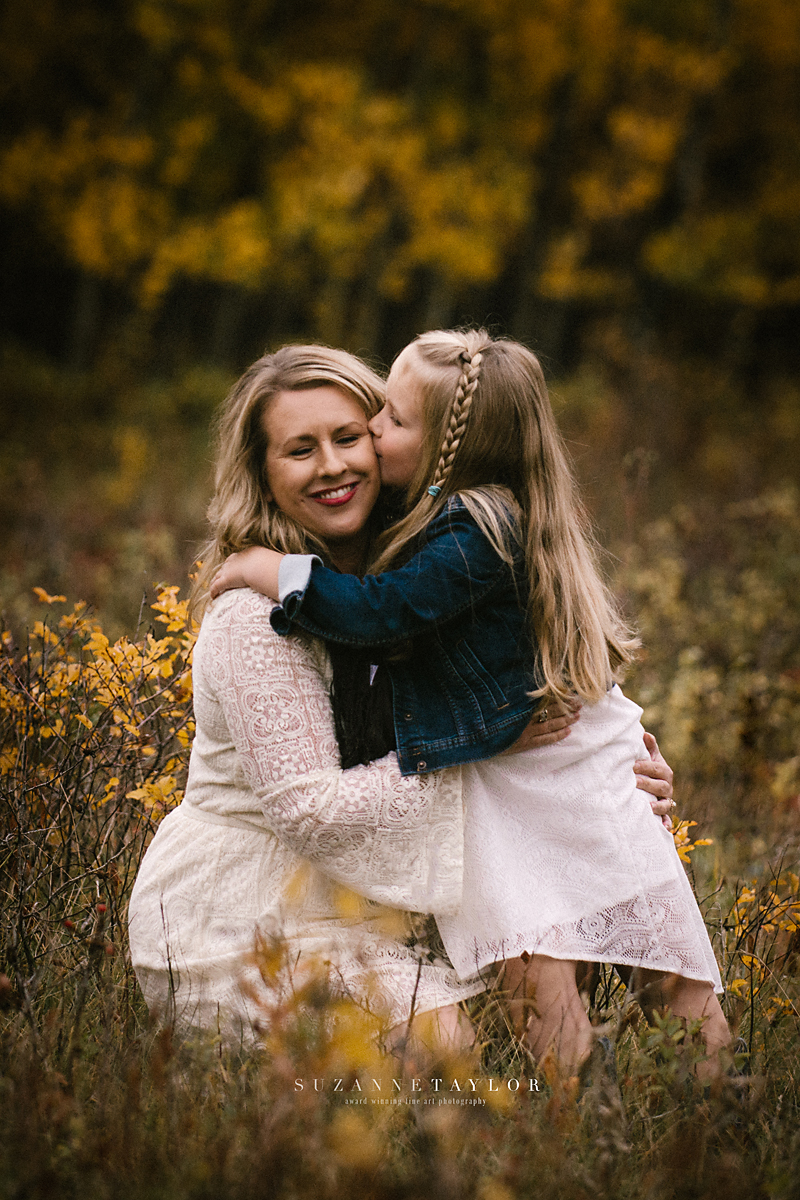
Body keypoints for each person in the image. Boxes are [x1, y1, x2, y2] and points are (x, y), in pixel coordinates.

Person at [129, 342, 672, 1065]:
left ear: (393, 443)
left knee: (532, 993)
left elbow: (528, 678)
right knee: (442, 1067)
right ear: (262, 474)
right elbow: (311, 811)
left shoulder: (419, 568)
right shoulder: (258, 619)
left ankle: (655, 1114)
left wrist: (607, 775)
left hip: (384, 904)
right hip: (247, 915)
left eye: (350, 436)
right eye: (300, 449)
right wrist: (489, 747)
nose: (332, 465)